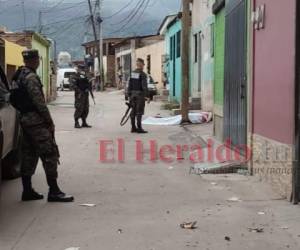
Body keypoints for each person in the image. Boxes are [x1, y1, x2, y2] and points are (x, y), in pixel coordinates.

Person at [10, 49, 74, 202]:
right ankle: (54, 191)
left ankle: (27, 191)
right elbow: (39, 102)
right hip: (36, 121)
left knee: (28, 153)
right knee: (50, 153)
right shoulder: (31, 77)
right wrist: (49, 121)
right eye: (38, 59)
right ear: (35, 60)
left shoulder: (18, 76)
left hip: (24, 119)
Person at [128, 58, 150, 133]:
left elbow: (130, 84)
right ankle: (139, 128)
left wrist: (129, 94)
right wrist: (147, 96)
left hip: (132, 95)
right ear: (141, 64)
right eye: (143, 64)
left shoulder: (133, 73)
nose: (143, 66)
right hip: (140, 95)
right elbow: (144, 86)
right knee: (139, 112)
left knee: (133, 111)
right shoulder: (142, 74)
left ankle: (133, 127)